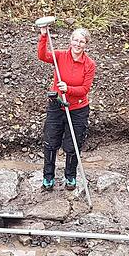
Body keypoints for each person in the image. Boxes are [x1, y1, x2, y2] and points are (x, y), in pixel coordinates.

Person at [37, 26, 96, 191]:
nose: (78, 44)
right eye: (75, 40)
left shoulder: (89, 64)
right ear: (70, 41)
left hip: (78, 109)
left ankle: (70, 176)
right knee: (50, 142)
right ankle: (48, 177)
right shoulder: (60, 56)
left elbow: (84, 89)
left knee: (73, 145)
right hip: (56, 106)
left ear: (86, 44)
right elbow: (42, 55)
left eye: (82, 41)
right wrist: (43, 36)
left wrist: (68, 88)